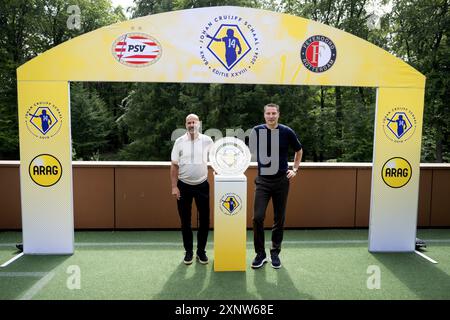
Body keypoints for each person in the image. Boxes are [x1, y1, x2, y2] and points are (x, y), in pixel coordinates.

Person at [250, 103, 303, 269]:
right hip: (263, 181)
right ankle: (260, 254)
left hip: (281, 181)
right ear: (264, 115)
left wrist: (295, 169)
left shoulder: (287, 132)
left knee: (279, 219)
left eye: (274, 113)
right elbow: (244, 152)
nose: (271, 116)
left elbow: (299, 150)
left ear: (278, 115)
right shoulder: (256, 131)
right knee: (257, 217)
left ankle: (275, 253)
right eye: (268, 113)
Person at [170, 114, 213, 265]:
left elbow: (215, 159)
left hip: (202, 185)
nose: (191, 124)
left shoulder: (208, 140)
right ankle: (188, 252)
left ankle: (201, 252)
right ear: (185, 124)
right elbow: (174, 165)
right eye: (189, 122)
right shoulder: (179, 142)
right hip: (183, 186)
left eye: (194, 122)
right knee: (185, 221)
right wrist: (174, 186)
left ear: (199, 123)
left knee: (204, 221)